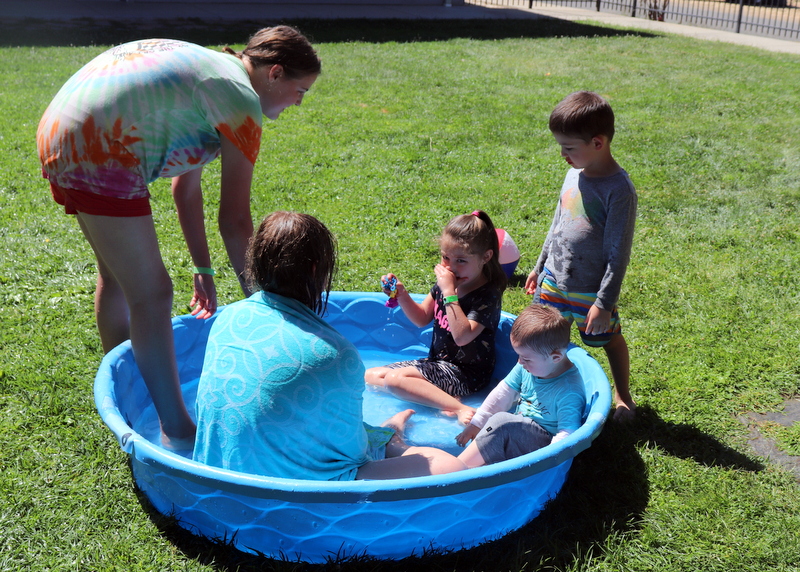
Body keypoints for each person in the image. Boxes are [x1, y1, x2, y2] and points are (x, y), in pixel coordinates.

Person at [35, 27, 321, 450]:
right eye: (300, 91)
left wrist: (203, 268)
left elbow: (185, 189)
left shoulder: (215, 74)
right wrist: (268, 306)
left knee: (118, 279)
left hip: (63, 127)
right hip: (98, 145)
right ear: (275, 73)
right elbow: (235, 221)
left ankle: (130, 390)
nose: (298, 102)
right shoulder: (241, 99)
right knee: (152, 293)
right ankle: (178, 432)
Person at [193, 212, 467, 480]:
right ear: (316, 270)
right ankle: (392, 437)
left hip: (218, 477)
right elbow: (353, 456)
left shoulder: (228, 318)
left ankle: (389, 435)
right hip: (293, 493)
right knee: (447, 466)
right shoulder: (332, 354)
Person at [524, 91, 637, 421]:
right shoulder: (574, 172)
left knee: (608, 340)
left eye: (569, 147)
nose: (563, 154)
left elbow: (618, 252)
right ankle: (542, 392)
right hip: (553, 279)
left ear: (598, 143)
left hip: (590, 290)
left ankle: (623, 396)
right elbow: (557, 224)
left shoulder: (619, 190)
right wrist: (539, 266)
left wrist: (604, 303)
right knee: (540, 338)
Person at [365, 210, 507, 425]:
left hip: (466, 375)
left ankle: (461, 408)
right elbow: (422, 318)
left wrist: (450, 293)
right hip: (437, 364)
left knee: (394, 380)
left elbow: (462, 337)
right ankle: (443, 399)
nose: (450, 267)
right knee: (371, 376)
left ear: (486, 257)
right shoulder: (447, 283)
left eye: (461, 260)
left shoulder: (487, 295)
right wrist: (402, 295)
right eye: (445, 257)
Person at [455, 305, 585, 468]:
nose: (520, 362)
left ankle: (456, 470)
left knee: (501, 423)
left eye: (526, 358)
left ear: (556, 357)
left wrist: (545, 463)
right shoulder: (528, 366)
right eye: (519, 355)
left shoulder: (569, 390)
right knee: (497, 428)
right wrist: (477, 423)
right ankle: (465, 467)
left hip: (542, 446)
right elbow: (503, 393)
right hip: (519, 433)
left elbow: (568, 433)